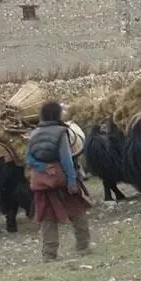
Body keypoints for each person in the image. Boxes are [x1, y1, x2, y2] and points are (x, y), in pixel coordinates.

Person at [25, 101, 91, 261]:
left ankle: (49, 254)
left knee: (47, 218)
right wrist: (72, 182)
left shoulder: (33, 134)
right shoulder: (62, 132)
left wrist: (43, 167)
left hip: (41, 182)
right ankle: (83, 245)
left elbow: (28, 158)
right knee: (77, 211)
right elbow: (66, 159)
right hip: (61, 179)